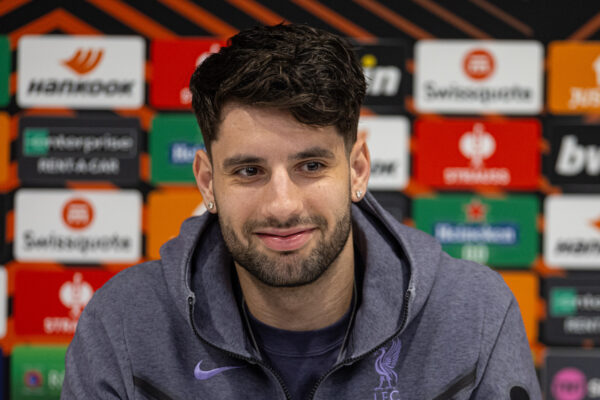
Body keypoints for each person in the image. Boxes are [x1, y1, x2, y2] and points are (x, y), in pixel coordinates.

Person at [62, 24, 541, 400]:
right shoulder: (121, 324)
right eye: (249, 171)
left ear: (357, 171)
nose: (283, 204)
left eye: (310, 165)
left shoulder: (474, 314)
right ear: (208, 181)